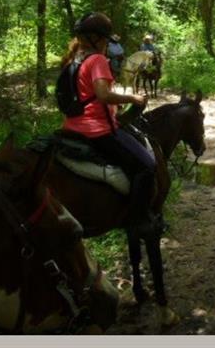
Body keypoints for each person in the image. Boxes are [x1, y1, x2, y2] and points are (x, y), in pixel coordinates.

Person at [60, 12, 159, 235]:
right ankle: (137, 220)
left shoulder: (74, 60)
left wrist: (115, 105)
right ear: (95, 38)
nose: (106, 43)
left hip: (71, 127)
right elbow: (103, 95)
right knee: (147, 166)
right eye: (105, 38)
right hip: (98, 130)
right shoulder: (97, 60)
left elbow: (85, 95)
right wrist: (132, 98)